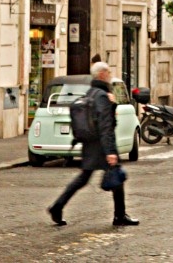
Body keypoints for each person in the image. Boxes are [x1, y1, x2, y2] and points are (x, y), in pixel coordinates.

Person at [47, 62, 137, 228]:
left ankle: (57, 207)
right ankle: (120, 216)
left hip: (90, 143)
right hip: (101, 144)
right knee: (115, 177)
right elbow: (106, 124)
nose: (110, 75)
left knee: (84, 178)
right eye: (108, 72)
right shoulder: (102, 96)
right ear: (101, 74)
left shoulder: (91, 93)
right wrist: (110, 151)